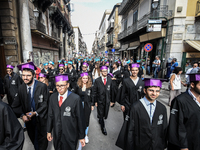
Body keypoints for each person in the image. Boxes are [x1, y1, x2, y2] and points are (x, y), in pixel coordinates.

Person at [120, 78, 168, 150]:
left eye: (157, 91)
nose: (154, 94)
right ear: (145, 90)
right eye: (151, 90)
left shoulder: (162, 108)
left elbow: (163, 128)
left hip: (156, 145)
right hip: (140, 145)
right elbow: (130, 130)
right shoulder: (135, 107)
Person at [12, 62, 48, 150]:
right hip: (29, 121)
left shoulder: (42, 87)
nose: (25, 78)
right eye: (23, 75)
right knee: (34, 140)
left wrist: (35, 112)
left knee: (41, 143)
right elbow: (15, 105)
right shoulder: (21, 88)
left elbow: (46, 103)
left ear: (33, 75)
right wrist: (22, 115)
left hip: (41, 119)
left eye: (28, 75)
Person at [47, 74, 85, 150]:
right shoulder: (53, 97)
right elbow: (50, 115)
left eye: (62, 85)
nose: (59, 88)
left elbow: (80, 119)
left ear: (68, 85)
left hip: (70, 134)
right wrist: (49, 131)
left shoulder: (75, 99)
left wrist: (81, 136)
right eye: (57, 86)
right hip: (57, 133)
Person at [168, 73, 200, 150]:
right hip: (187, 143)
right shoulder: (180, 100)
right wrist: (183, 146)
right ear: (192, 85)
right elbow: (177, 124)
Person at [75, 72, 94, 148]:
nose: (85, 80)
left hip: (87, 105)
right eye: (84, 78)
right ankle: (78, 133)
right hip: (79, 105)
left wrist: (92, 104)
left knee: (86, 120)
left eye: (86, 78)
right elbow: (74, 94)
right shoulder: (78, 86)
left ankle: (85, 135)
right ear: (81, 79)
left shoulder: (91, 86)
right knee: (78, 119)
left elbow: (93, 95)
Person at [93, 66, 112, 135]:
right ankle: (103, 127)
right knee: (101, 113)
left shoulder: (110, 80)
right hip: (99, 100)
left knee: (105, 113)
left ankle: (101, 118)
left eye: (106, 71)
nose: (105, 72)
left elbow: (112, 91)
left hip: (107, 100)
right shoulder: (97, 80)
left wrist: (112, 101)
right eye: (103, 71)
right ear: (101, 72)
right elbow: (94, 91)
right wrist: (95, 101)